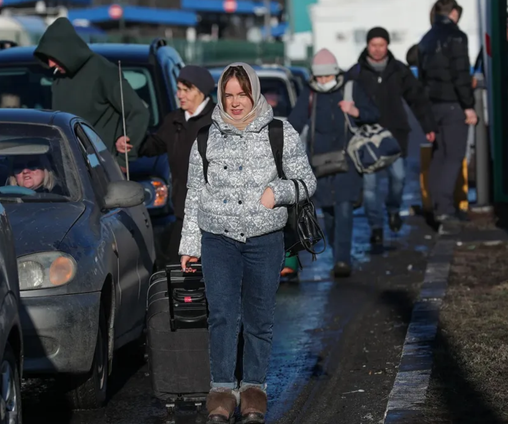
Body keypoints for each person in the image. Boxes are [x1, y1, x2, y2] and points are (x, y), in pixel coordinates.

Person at [178, 63, 316, 423]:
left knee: (259, 318)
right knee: (222, 315)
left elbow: (307, 182)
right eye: (229, 95)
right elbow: (195, 193)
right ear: (221, 97)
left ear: (254, 93)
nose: (236, 102)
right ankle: (222, 391)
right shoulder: (206, 137)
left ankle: (254, 389)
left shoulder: (280, 132)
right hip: (217, 239)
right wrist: (190, 243)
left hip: (265, 239)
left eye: (242, 94)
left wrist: (277, 192)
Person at [289, 48, 379, 277]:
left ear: (335, 73)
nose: (322, 81)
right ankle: (338, 253)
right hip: (319, 164)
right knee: (328, 213)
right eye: (319, 77)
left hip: (347, 161)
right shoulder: (310, 93)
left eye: (326, 76)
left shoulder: (350, 89)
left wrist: (355, 110)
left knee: (345, 209)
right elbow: (295, 123)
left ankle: (342, 260)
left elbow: (373, 113)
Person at [348, 27, 437, 244]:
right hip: (366, 139)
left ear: (387, 45)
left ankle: (394, 210)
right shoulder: (356, 72)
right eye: (373, 45)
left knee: (398, 179)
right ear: (367, 46)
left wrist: (428, 125)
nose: (377, 50)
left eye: (382, 45)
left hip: (395, 136)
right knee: (370, 187)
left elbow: (417, 98)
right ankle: (376, 227)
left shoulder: (399, 70)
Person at [119, 65, 216, 264]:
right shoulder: (174, 120)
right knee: (175, 270)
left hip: (213, 216)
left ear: (200, 91)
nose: (179, 94)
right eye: (178, 89)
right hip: (182, 212)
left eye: (185, 90)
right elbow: (155, 145)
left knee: (210, 273)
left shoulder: (217, 121)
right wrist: (132, 143)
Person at [34, 17, 150, 168]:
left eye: (53, 57)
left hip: (101, 167)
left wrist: (122, 161)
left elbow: (138, 112)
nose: (50, 64)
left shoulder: (103, 71)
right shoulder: (59, 78)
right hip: (68, 166)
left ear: (65, 50)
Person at [418, 0, 476, 232]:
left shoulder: (426, 38)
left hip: (433, 105)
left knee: (440, 157)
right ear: (453, 13)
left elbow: (422, 77)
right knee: (453, 157)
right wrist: (468, 106)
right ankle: (445, 210)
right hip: (453, 104)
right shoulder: (456, 37)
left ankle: (438, 207)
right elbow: (460, 74)